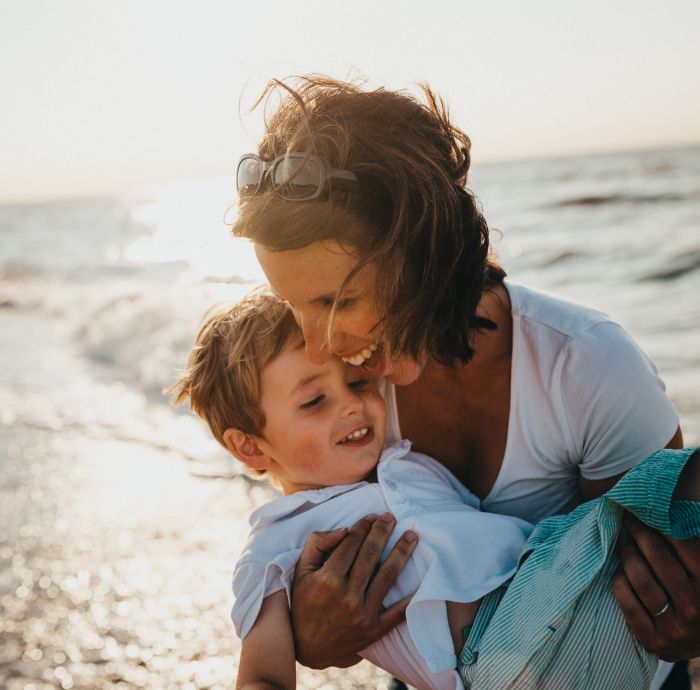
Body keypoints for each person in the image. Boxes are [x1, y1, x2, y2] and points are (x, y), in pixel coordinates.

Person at [230, 76, 700, 688]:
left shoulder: (585, 366)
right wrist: (313, 637)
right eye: (293, 304)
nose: (320, 344)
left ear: (423, 255)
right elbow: (317, 534)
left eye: (338, 301)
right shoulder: (344, 396)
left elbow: (665, 574)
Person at [170, 291, 700, 690]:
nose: (353, 405)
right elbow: (262, 677)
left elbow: (499, 532)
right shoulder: (276, 545)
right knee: (674, 488)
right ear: (250, 448)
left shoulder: (407, 463)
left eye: (356, 383)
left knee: (663, 499)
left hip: (555, 606)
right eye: (314, 402)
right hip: (492, 653)